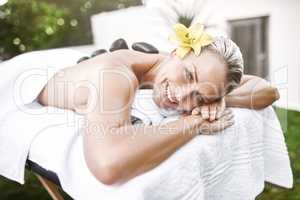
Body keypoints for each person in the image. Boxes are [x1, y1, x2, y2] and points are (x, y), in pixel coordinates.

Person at [38, 23, 279, 185]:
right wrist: (195, 121)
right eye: (188, 76)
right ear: (176, 52)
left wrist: (218, 97)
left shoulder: (182, 65)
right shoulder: (117, 73)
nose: (182, 97)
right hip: (42, 74)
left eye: (198, 97)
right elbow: (107, 165)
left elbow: (268, 91)